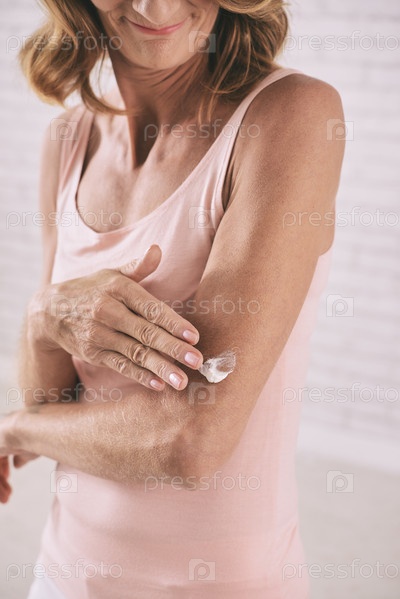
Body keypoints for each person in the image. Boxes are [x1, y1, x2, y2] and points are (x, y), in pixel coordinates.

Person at [0, 1, 345, 597]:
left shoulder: (290, 115)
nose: (153, 7)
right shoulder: (69, 137)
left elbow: (190, 443)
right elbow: (50, 396)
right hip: (62, 572)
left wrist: (14, 431)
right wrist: (44, 318)